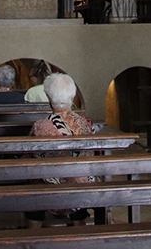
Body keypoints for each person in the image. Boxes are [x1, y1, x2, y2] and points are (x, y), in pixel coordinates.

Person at [25, 73, 98, 227]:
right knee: (76, 174)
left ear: (48, 97)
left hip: (52, 187)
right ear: (73, 94)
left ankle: (33, 232)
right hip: (82, 184)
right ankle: (79, 223)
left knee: (33, 180)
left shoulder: (41, 126)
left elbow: (30, 156)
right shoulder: (85, 122)